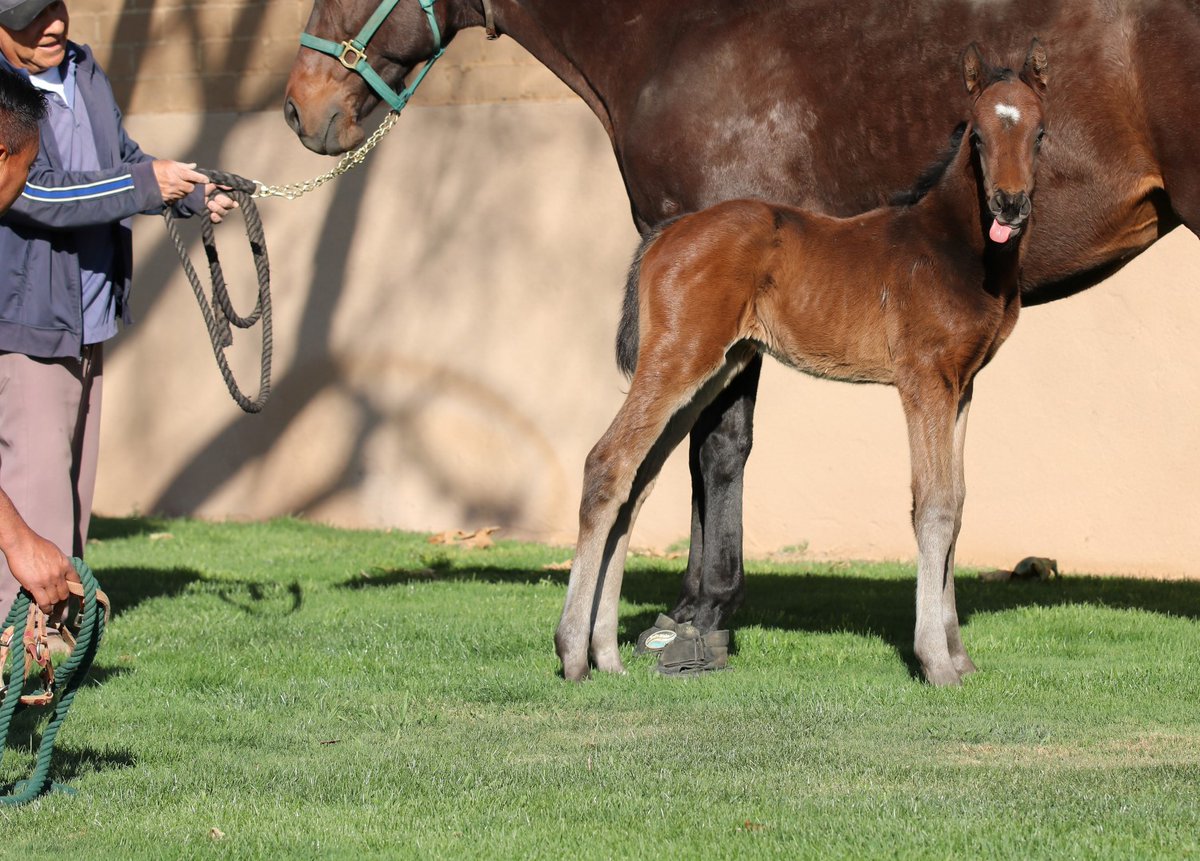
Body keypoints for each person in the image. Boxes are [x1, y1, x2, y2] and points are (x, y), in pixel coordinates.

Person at [0, 0, 237, 620]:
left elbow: (123, 161)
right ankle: (20, 644)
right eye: (29, 16)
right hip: (28, 321)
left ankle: (64, 631)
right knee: (35, 491)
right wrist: (144, 186)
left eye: (54, 7)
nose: (51, 24)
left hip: (90, 315)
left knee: (73, 495)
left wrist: (187, 194)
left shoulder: (84, 70)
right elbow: (37, 193)